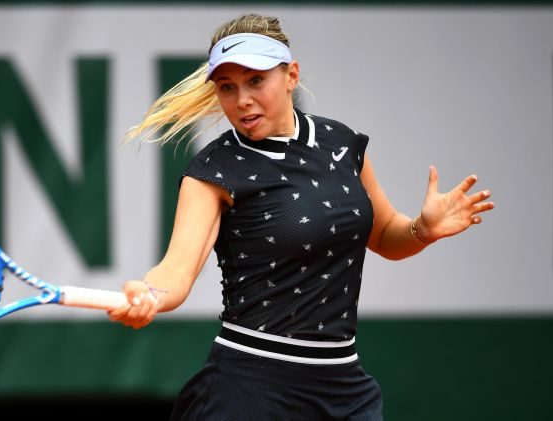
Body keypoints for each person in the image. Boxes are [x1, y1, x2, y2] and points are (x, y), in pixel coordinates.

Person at [108, 13, 494, 420]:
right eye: (227, 87)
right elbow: (176, 271)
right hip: (249, 390)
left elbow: (385, 235)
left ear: (291, 75)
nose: (242, 100)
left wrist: (422, 230)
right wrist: (149, 294)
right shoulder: (214, 169)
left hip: (345, 389)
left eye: (256, 80)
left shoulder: (342, 144)